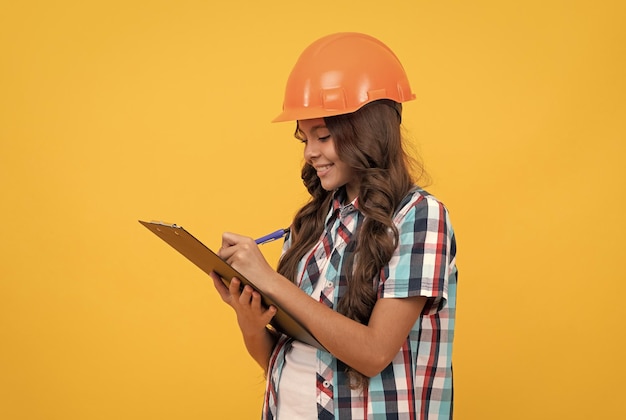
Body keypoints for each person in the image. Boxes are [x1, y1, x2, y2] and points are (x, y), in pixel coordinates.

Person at [209, 32, 457, 420]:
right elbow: (283, 358)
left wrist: (271, 281)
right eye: (304, 138)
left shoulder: (418, 217)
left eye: (322, 136)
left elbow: (374, 353)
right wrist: (250, 320)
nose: (310, 152)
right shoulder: (314, 221)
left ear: (368, 130)